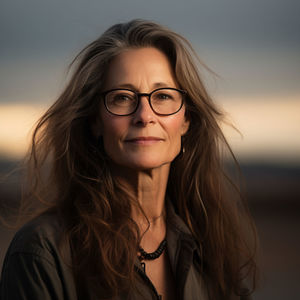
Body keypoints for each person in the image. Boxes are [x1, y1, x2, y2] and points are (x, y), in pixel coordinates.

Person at [0, 19, 257, 299]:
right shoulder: (43, 251)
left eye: (163, 96)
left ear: (186, 121)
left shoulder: (210, 244)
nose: (145, 116)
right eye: (122, 98)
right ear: (95, 121)